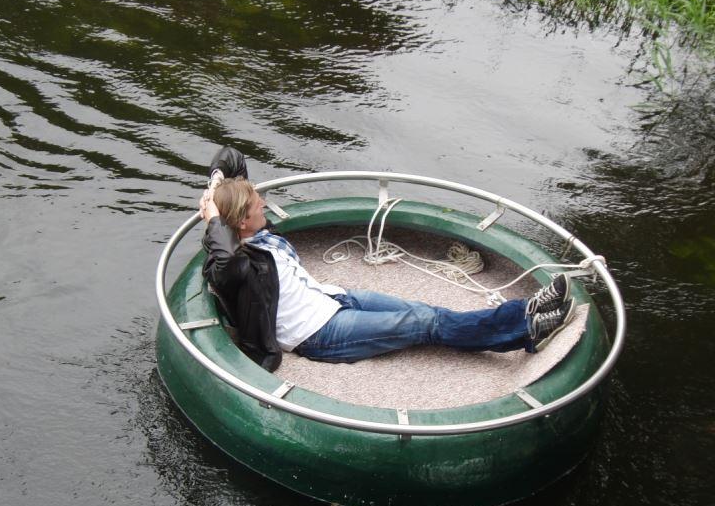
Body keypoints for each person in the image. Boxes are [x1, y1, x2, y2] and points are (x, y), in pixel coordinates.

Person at [200, 149, 576, 372]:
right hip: (318, 334)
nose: (264, 204)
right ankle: (527, 327)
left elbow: (231, 157)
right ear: (240, 222)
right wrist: (214, 218)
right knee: (423, 323)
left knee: (425, 311)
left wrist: (215, 186)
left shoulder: (251, 232)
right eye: (257, 205)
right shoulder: (235, 263)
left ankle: (523, 315)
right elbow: (226, 264)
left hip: (333, 299)